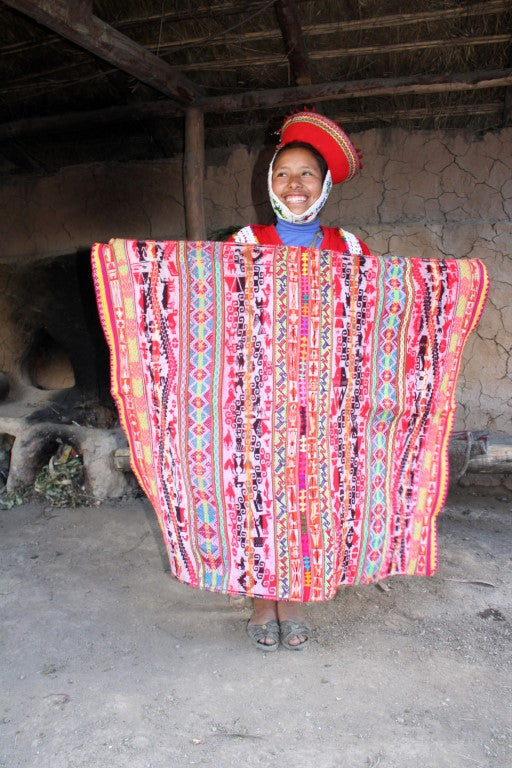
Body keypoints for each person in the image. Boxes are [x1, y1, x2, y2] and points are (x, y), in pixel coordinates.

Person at [229, 110, 370, 651]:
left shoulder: (348, 247)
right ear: (270, 183)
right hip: (258, 398)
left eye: (306, 173)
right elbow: (221, 311)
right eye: (283, 173)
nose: (295, 184)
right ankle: (263, 602)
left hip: (323, 402)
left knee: (310, 500)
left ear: (324, 183)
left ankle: (294, 598)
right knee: (258, 496)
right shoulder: (246, 241)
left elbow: (370, 315)